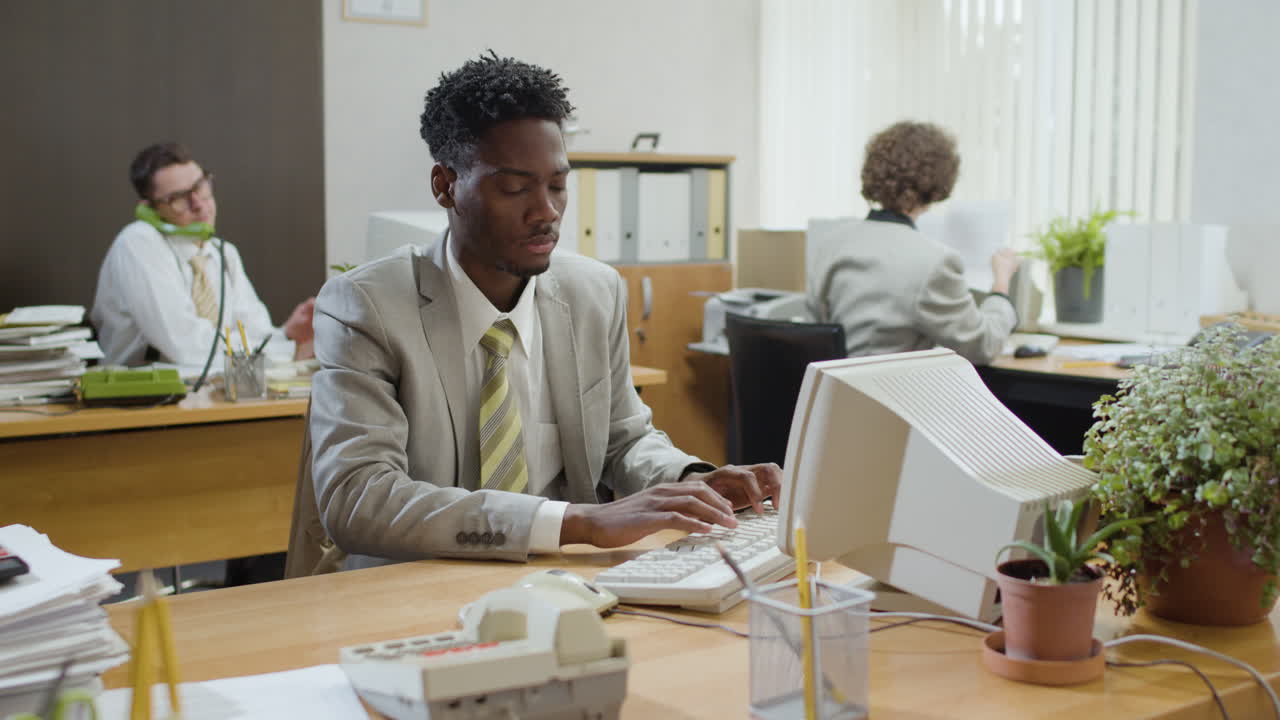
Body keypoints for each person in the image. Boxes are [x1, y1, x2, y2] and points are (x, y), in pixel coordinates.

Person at [307, 53, 779, 569]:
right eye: (514, 188)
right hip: (410, 590)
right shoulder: (367, 307)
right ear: (445, 186)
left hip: (562, 584)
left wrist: (689, 480)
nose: (546, 212)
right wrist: (577, 521)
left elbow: (623, 442)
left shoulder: (594, 292)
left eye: (557, 185)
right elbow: (359, 497)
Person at [806, 121, 1020, 365]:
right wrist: (1001, 285)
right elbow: (982, 346)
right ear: (938, 182)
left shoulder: (829, 245)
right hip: (888, 399)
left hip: (832, 397)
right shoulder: (934, 261)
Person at [91, 142, 316, 367]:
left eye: (200, 187)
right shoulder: (138, 242)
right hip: (138, 394)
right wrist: (287, 352)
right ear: (149, 210)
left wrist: (285, 335)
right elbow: (186, 346)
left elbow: (253, 334)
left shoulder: (224, 253)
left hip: (214, 392)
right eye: (178, 198)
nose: (199, 204)